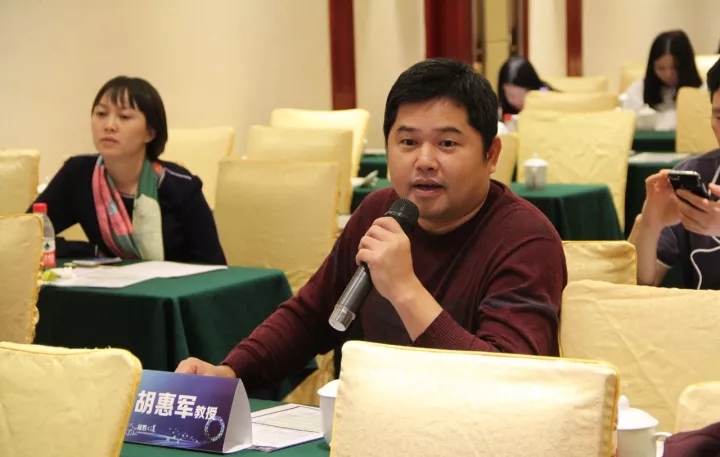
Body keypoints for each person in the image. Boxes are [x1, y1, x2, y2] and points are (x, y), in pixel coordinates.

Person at [176, 58, 567, 387]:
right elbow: (311, 317)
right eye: (408, 142)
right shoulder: (380, 210)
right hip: (371, 424)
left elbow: (507, 381)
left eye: (447, 144)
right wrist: (230, 372)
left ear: (491, 155)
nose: (424, 161)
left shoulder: (526, 238)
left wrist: (404, 288)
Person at [28, 76, 226, 265]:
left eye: (124, 117)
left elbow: (214, 267)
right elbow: (27, 237)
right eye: (101, 114)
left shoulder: (180, 186)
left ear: (150, 133)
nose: (109, 126)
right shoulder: (78, 174)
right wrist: (93, 252)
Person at [629, 58, 720, 289]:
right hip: (698, 312)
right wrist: (649, 225)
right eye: (719, 117)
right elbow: (636, 287)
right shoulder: (695, 174)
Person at [622, 30, 703, 130]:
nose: (668, 74)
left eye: (675, 68)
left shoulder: (703, 92)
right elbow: (628, 122)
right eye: (661, 68)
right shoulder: (638, 89)